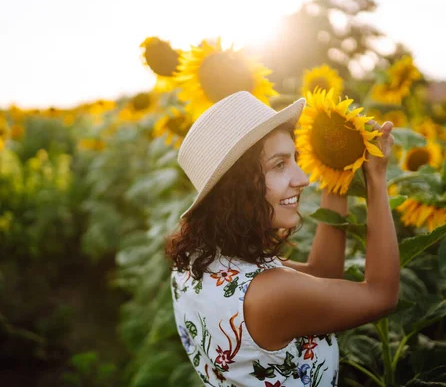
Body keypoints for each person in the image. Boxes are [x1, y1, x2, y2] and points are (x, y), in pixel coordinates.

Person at [165, 91, 399, 387]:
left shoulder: (197, 260)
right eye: (279, 165)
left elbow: (322, 277)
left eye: (295, 159)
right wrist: (376, 179)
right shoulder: (269, 294)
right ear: (236, 188)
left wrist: (335, 166)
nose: (302, 178)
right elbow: (381, 295)